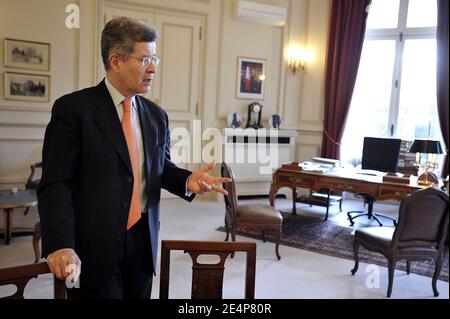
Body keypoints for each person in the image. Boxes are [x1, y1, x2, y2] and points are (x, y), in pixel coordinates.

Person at [37, 16, 231, 299]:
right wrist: (61, 244)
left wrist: (188, 180)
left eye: (155, 59)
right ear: (116, 61)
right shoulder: (73, 110)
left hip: (143, 242)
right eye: (144, 60)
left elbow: (159, 168)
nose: (153, 68)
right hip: (93, 246)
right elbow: (56, 182)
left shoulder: (156, 116)